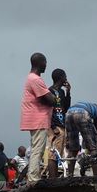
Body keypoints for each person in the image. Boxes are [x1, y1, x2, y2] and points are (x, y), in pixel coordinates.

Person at [20, 53, 57, 182]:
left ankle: (33, 175)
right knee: (38, 150)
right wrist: (54, 99)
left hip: (35, 119)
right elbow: (49, 99)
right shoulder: (35, 80)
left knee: (37, 148)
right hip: (38, 119)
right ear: (39, 63)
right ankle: (34, 177)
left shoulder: (31, 78)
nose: (46, 65)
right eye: (45, 62)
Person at [64, 101, 97, 176]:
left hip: (68, 114)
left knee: (72, 148)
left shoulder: (90, 107)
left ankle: (70, 175)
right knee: (93, 149)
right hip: (82, 114)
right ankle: (96, 177)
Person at [45, 68, 72, 179]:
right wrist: (52, 126)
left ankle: (55, 177)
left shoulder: (61, 92)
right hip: (55, 126)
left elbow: (65, 108)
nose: (66, 78)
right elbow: (46, 110)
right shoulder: (49, 91)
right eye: (65, 76)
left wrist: (68, 92)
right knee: (53, 153)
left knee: (59, 153)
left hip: (61, 125)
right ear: (61, 77)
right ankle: (52, 179)